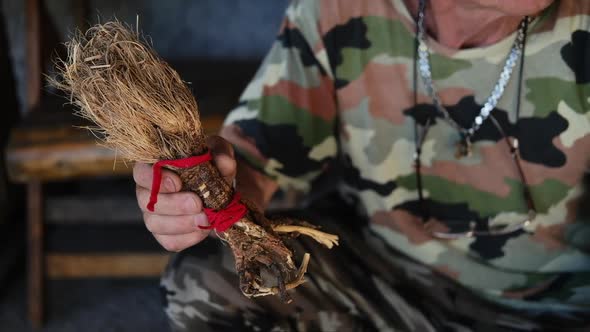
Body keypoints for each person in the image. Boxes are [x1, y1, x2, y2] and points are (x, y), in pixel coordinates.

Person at [133, 0, 590, 330]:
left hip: (559, 304)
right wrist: (202, 193)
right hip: (385, 279)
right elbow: (253, 161)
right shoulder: (338, 8)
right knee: (205, 282)